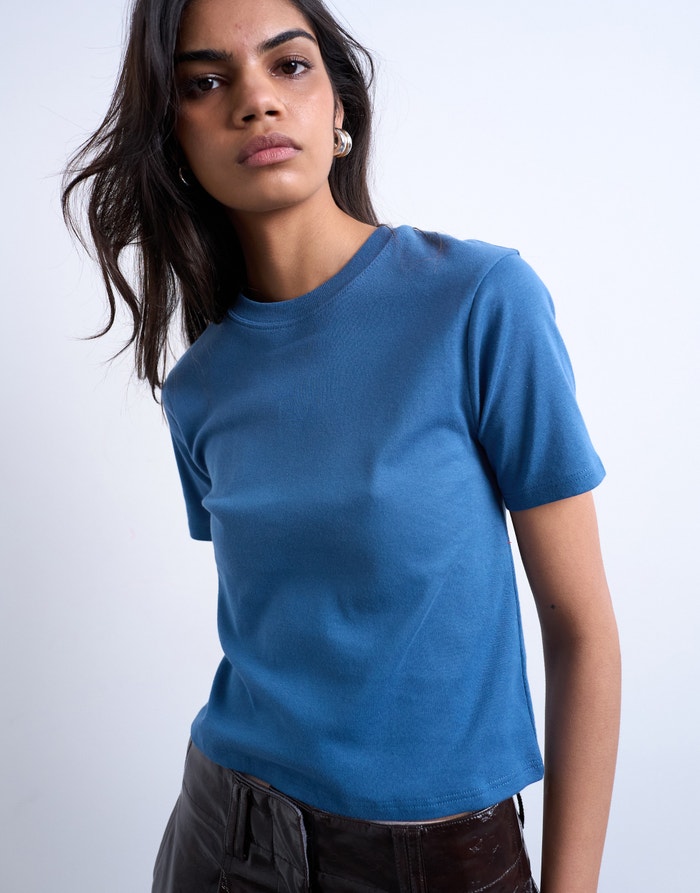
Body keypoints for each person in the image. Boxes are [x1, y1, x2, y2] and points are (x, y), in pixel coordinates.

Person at [62, 0, 621, 890]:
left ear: (340, 109)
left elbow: (582, 628)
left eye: (289, 66)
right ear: (175, 139)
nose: (256, 101)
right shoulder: (201, 386)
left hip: (436, 858)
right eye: (206, 83)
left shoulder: (480, 301)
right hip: (221, 836)